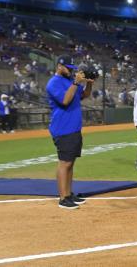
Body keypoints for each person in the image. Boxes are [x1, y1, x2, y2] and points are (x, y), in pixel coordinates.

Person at [46, 55, 94, 210]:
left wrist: (89, 84)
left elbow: (83, 96)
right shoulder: (53, 83)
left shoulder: (69, 80)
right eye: (68, 68)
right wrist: (75, 82)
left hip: (73, 127)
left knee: (70, 162)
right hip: (62, 128)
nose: (71, 71)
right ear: (59, 66)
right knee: (64, 162)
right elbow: (65, 100)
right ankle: (63, 198)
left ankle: (68, 193)